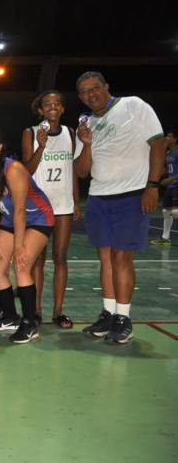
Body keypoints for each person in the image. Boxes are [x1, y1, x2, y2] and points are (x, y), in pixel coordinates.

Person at [74, 71, 165, 343]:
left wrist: (152, 185)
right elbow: (82, 171)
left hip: (132, 194)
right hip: (99, 196)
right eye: (85, 92)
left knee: (121, 258)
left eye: (95, 88)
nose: (92, 94)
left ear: (106, 87)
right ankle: (108, 314)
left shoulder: (134, 106)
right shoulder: (86, 124)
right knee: (104, 257)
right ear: (81, 97)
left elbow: (158, 145)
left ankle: (124, 318)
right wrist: (86, 144)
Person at [0, 125, 54, 344]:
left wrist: (18, 247)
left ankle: (29, 323)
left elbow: (19, 210)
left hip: (37, 218)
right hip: (8, 219)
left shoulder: (13, 169)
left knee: (22, 264)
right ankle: (10, 317)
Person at [21, 90, 82, 328]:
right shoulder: (31, 133)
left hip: (63, 204)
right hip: (39, 206)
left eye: (58, 103)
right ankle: (36, 310)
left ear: (63, 109)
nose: (53, 107)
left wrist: (76, 201)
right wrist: (41, 146)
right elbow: (27, 170)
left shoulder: (71, 133)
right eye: (48, 104)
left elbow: (74, 171)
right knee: (38, 260)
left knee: (60, 258)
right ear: (41, 109)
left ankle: (58, 311)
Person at [150, 131, 177, 246]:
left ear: (175, 139)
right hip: (171, 186)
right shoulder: (168, 153)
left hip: (176, 185)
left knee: (176, 213)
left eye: (170, 136)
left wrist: (171, 179)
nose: (167, 137)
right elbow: (168, 169)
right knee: (166, 211)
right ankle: (165, 238)